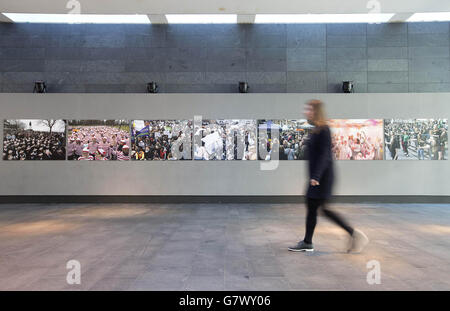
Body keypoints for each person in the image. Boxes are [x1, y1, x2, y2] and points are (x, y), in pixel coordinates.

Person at [289, 99, 369, 253]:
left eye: (309, 110)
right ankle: (308, 242)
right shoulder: (317, 130)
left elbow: (325, 155)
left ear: (316, 111)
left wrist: (316, 177)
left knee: (321, 209)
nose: (306, 112)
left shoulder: (324, 130)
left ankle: (353, 234)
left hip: (322, 178)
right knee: (314, 207)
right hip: (317, 177)